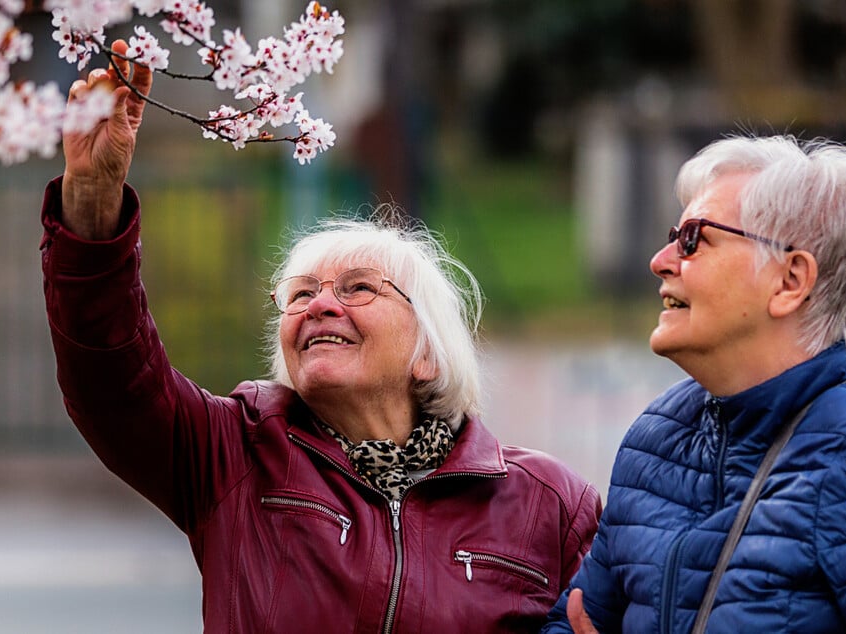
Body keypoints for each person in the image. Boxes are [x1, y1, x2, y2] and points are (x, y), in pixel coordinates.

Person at [40, 41, 601, 633]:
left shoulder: (550, 505)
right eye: (301, 294)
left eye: (359, 288)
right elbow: (113, 383)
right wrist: (92, 204)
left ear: (429, 353)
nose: (320, 305)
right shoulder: (236, 453)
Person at [542, 133, 846, 633]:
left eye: (693, 239)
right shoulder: (653, 440)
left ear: (790, 281)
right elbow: (570, 623)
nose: (660, 261)